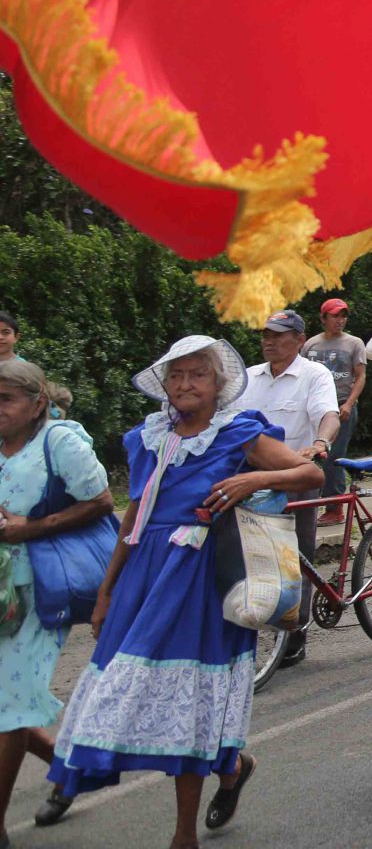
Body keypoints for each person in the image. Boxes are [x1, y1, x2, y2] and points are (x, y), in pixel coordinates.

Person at [48, 336, 320, 849]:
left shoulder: (237, 432)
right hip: (146, 576)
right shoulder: (146, 437)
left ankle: (182, 835)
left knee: (192, 703)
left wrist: (252, 479)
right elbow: (135, 514)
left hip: (201, 579)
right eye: (176, 376)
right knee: (122, 691)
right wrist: (107, 592)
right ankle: (234, 766)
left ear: (218, 385)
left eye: (197, 374)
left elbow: (310, 472)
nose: (185, 384)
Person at [0, 360, 113, 833]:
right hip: (3, 590)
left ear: (38, 403)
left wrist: (33, 528)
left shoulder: (59, 441)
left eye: (6, 399)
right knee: (9, 700)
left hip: (42, 588)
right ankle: (71, 769)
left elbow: (102, 502)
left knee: (11, 700)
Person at [236, 308, 340, 668]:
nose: (269, 341)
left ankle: (297, 631)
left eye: (278, 335)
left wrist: (320, 443)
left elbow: (329, 414)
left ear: (299, 340)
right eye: (265, 334)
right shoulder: (248, 378)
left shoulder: (314, 375)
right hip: (249, 480)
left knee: (297, 556)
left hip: (295, 477)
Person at [304, 299, 368, 516]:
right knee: (310, 455)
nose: (340, 320)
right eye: (335, 316)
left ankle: (335, 508)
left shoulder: (354, 343)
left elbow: (360, 377)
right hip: (315, 407)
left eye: (343, 316)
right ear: (323, 318)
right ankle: (310, 505)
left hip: (341, 406)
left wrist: (349, 404)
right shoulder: (311, 344)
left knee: (333, 457)